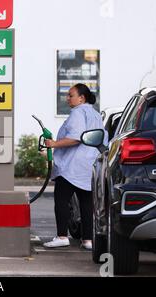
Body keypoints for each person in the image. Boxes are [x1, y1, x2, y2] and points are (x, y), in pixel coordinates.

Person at [43, 83, 106, 250]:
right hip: (89, 164)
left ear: (81, 98)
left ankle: (62, 236)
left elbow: (76, 137)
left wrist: (54, 144)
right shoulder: (95, 114)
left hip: (72, 166)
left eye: (71, 95)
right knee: (86, 203)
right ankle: (87, 240)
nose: (68, 98)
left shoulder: (78, 112)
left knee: (62, 199)